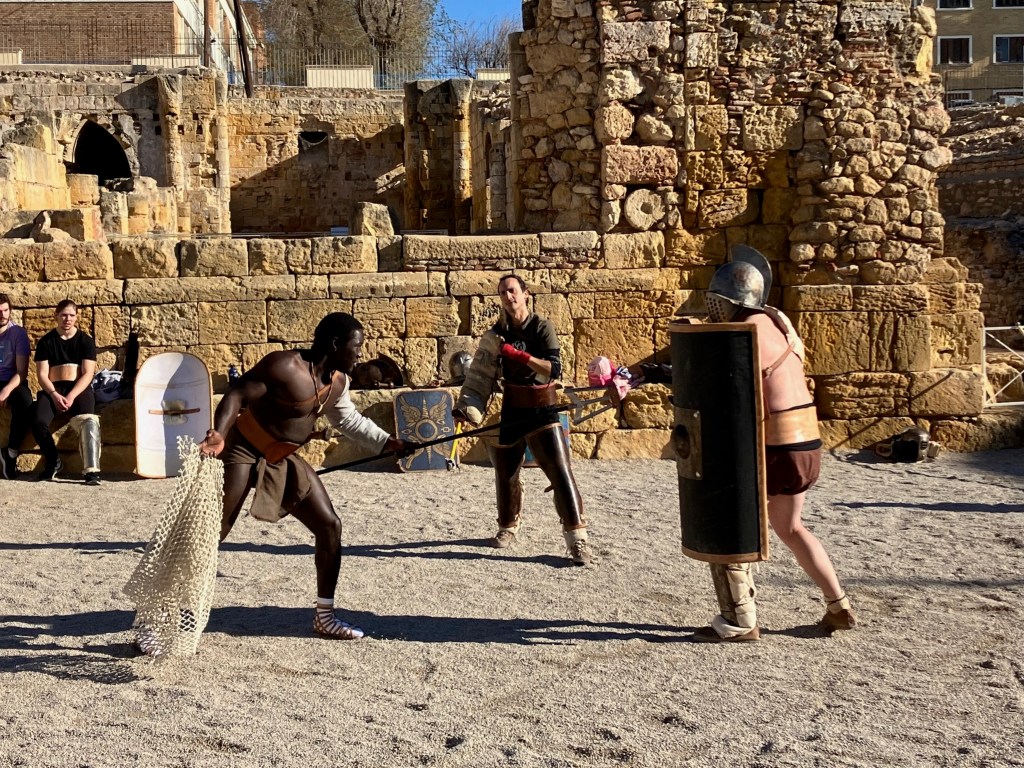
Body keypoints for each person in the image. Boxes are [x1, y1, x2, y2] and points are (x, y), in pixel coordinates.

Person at [198, 312, 416, 640]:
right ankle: (163, 614)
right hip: (242, 449)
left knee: (330, 525)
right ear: (334, 344)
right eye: (355, 346)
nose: (360, 352)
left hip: (280, 458)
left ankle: (324, 617)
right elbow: (237, 395)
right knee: (213, 533)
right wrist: (218, 433)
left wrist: (388, 442)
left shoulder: (338, 381)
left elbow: (349, 421)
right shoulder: (284, 366)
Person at [694, 256, 856, 642]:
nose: (715, 305)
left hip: (778, 447)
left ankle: (739, 621)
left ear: (735, 299)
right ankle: (838, 604)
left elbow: (718, 381)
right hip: (806, 442)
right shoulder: (778, 321)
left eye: (720, 298)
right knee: (789, 526)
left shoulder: (745, 330)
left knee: (731, 522)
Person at [454, 274, 593, 566]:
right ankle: (507, 527)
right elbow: (480, 377)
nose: (509, 296)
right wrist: (467, 407)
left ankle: (577, 539)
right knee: (505, 472)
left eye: (513, 291)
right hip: (513, 408)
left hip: (543, 408)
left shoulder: (542, 328)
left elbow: (552, 370)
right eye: (503, 292)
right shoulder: (495, 335)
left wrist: (519, 355)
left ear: (526, 294)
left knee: (560, 471)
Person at [32, 299, 101, 485]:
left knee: (89, 420)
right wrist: (54, 394)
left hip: (78, 388)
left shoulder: (86, 341)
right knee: (38, 421)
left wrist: (71, 396)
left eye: (71, 315)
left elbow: (88, 374)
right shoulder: (46, 342)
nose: (67, 319)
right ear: (56, 316)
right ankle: (54, 461)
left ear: (76, 317)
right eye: (63, 315)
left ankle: (91, 471)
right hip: (54, 388)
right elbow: (42, 375)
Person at [0, 294, 33, 480]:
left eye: (6, 310)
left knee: (25, 401)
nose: (3, 315)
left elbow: (22, 372)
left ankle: (11, 453)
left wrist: (6, 390)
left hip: (12, 380)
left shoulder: (18, 334)